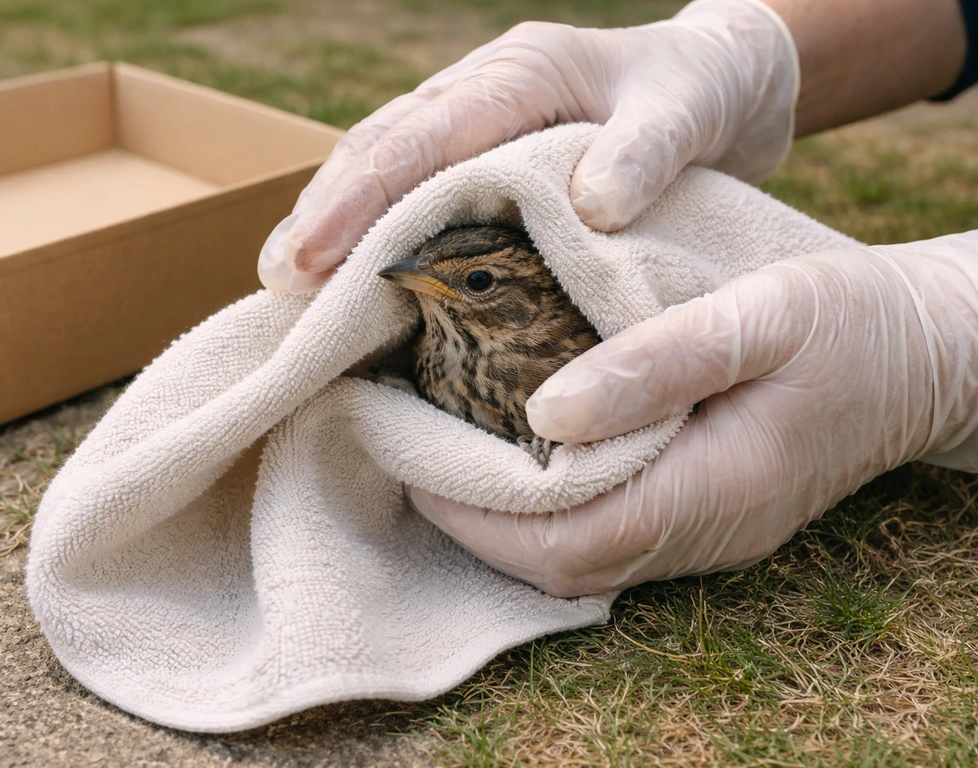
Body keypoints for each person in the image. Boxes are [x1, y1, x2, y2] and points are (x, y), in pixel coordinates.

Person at [258, 0, 978, 598]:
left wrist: (942, 334)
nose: (428, 282)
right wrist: (751, 42)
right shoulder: (433, 358)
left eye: (478, 284)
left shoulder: (554, 346)